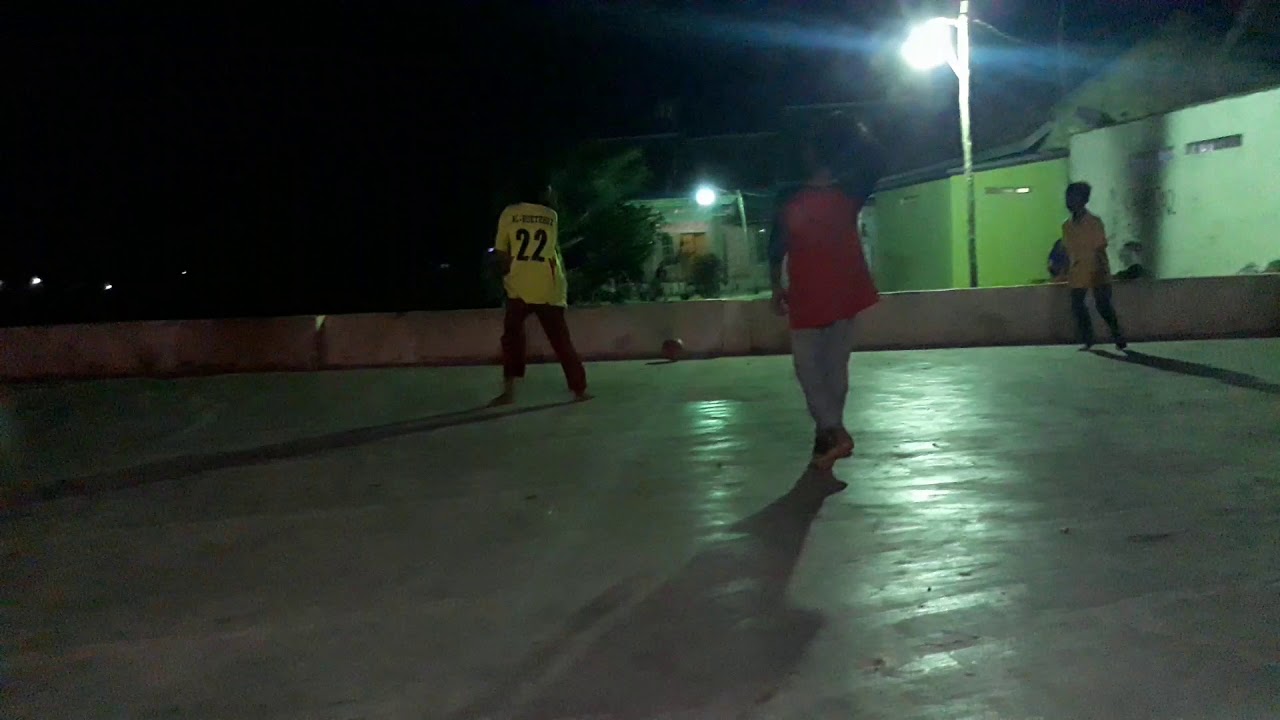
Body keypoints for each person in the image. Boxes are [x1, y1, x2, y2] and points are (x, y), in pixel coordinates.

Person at [769, 116, 883, 471]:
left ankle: (833, 433)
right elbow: (876, 161)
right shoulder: (845, 192)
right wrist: (859, 132)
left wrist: (775, 287)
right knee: (829, 367)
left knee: (813, 368)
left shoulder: (796, 197)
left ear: (811, 154)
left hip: (816, 292)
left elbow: (775, 247)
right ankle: (826, 437)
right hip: (837, 290)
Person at [490, 181, 590, 405]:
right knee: (561, 341)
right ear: (542, 193)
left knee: (512, 340)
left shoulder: (509, 213)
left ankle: (508, 392)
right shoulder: (550, 216)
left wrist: (505, 276)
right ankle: (579, 389)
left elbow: (501, 252)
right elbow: (551, 249)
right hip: (548, 286)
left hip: (518, 286)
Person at [1062, 181, 1127, 350]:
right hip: (1078, 270)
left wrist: (1099, 270)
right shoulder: (1067, 226)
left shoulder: (1094, 222)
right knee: (1077, 305)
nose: (1069, 201)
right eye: (1068, 197)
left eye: (1073, 197)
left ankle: (1117, 333)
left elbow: (1099, 247)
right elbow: (1068, 249)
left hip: (1097, 267)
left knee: (1103, 305)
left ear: (1084, 200)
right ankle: (1088, 338)